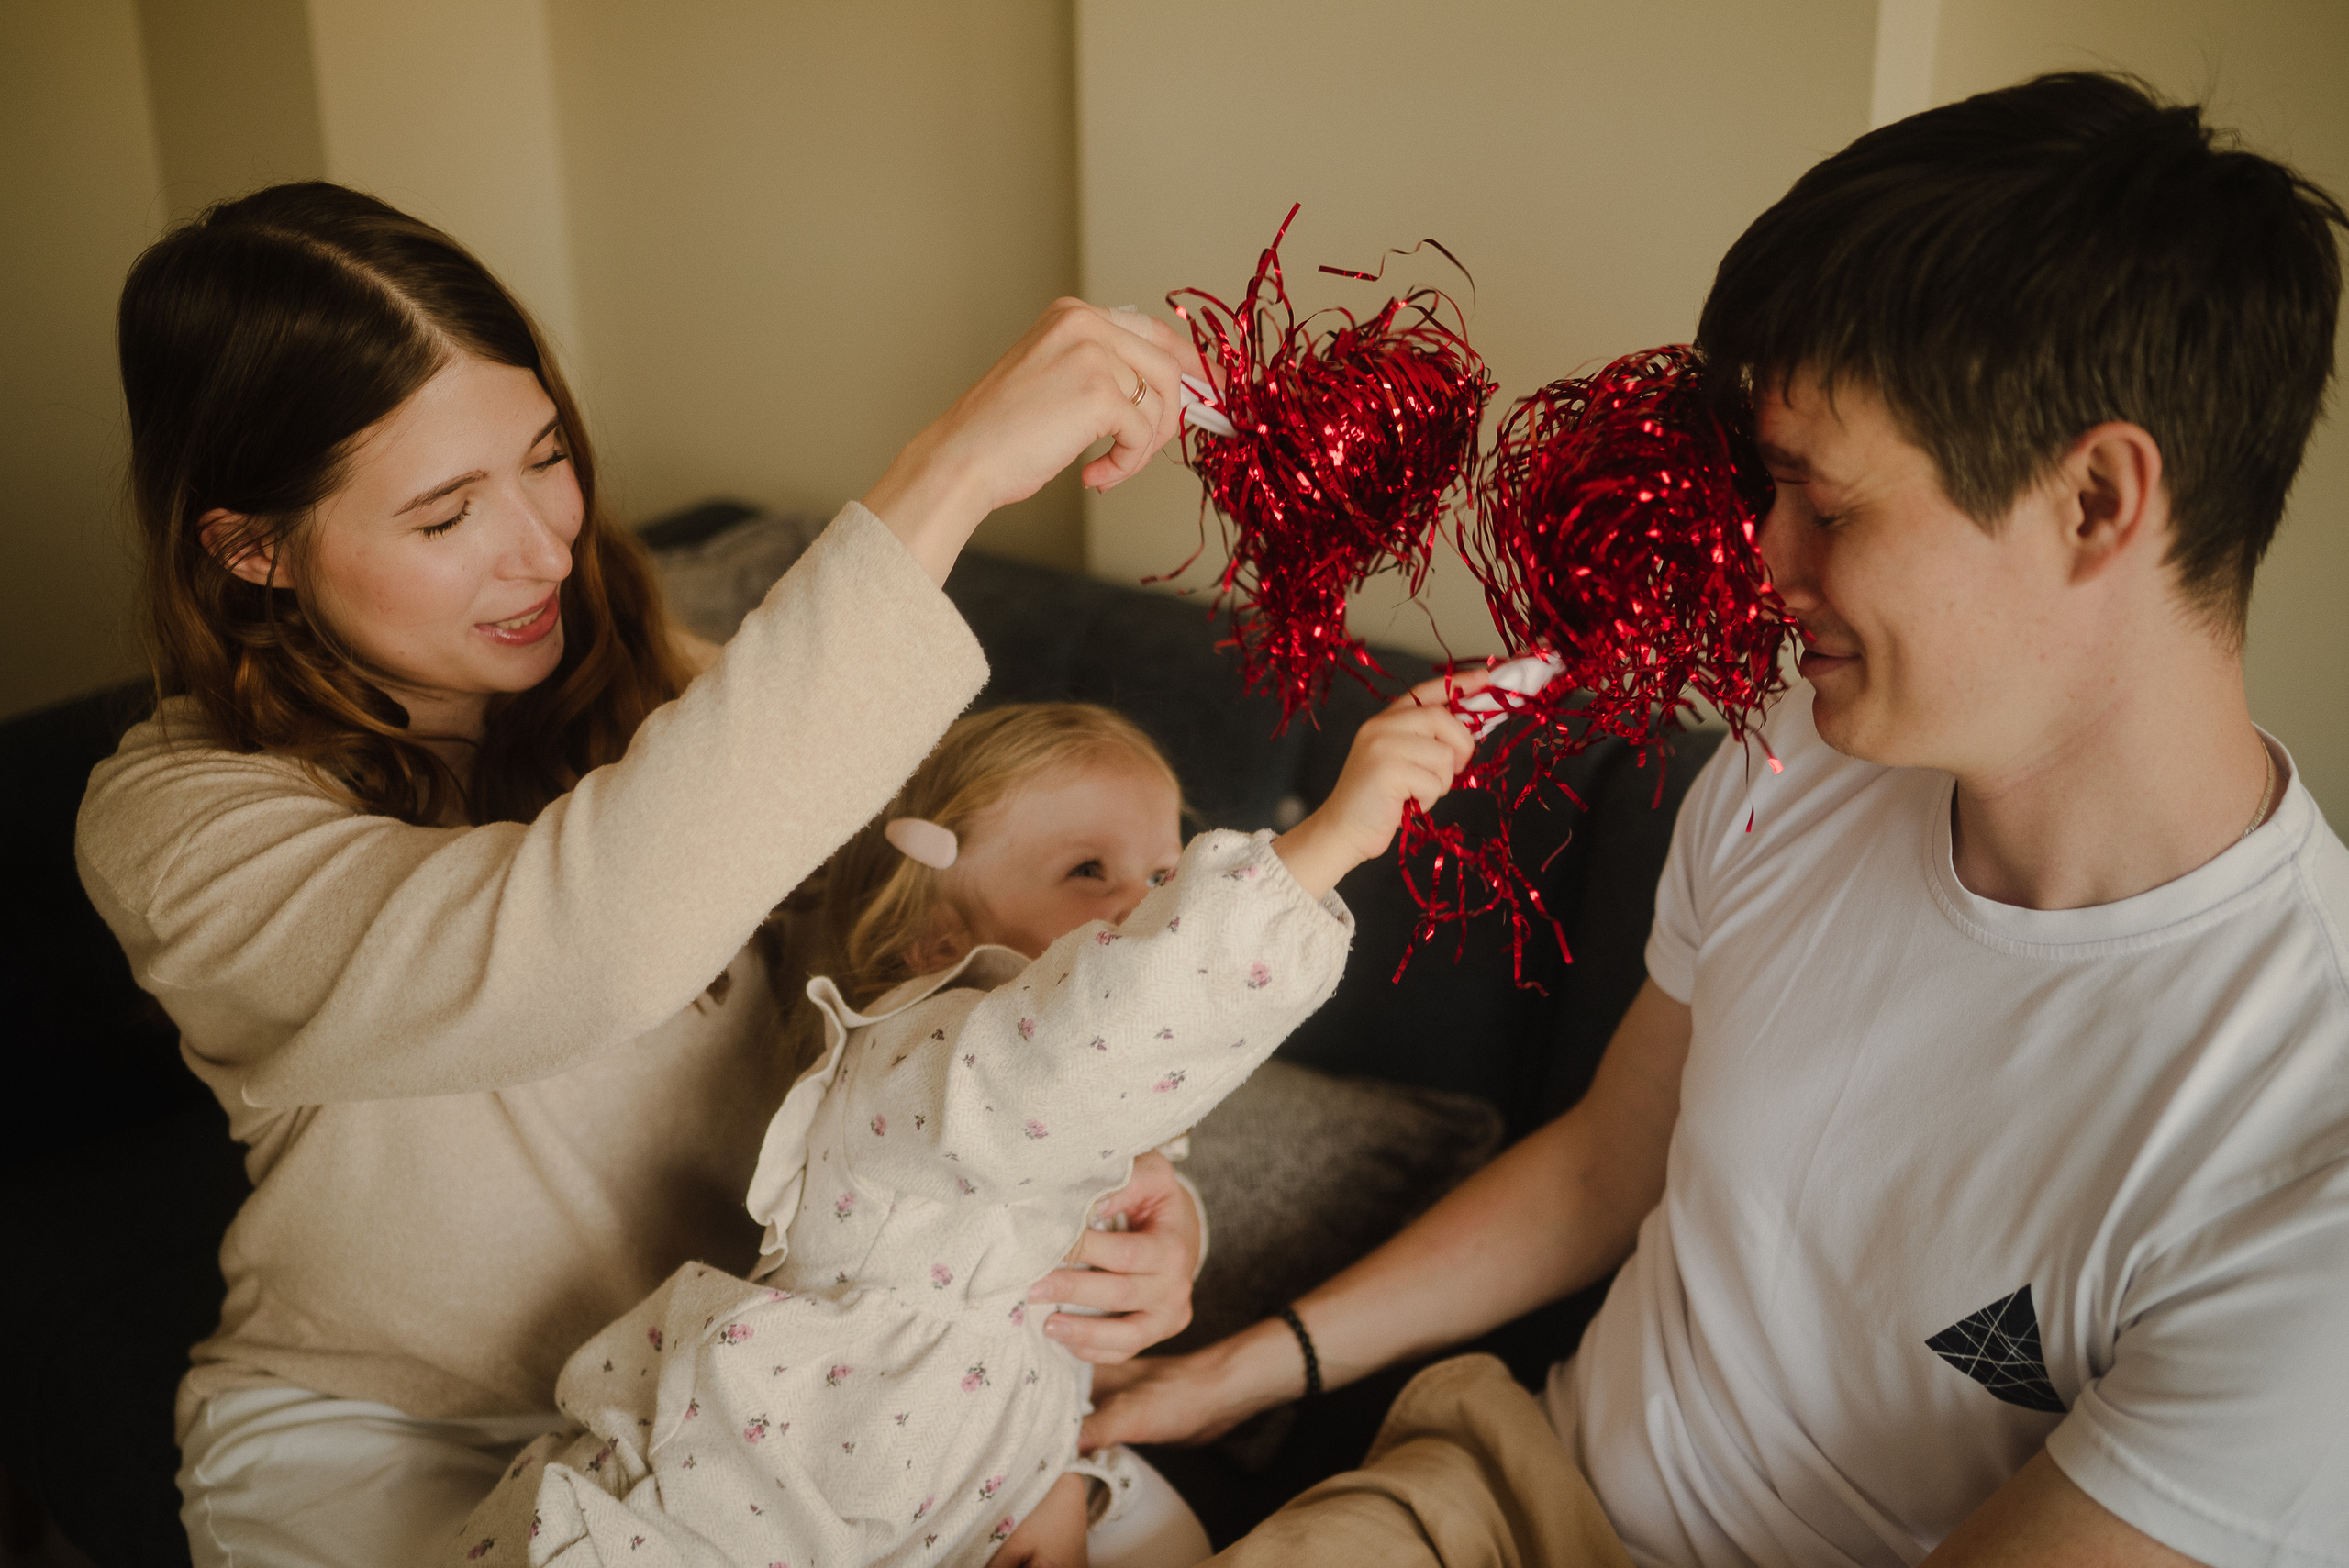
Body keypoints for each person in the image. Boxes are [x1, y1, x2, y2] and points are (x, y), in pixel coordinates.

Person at [1086, 72, 2349, 1568]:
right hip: (1503, 1488)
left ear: (2095, 500)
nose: (1761, 556)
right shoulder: (1793, 759)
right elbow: (1611, 1157)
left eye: (1828, 501)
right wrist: (1247, 1363)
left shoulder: (2299, 1145)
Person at [77, 181, 1214, 1568]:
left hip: (754, 1398)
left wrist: (1138, 1202)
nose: (543, 544)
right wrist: (951, 474)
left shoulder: (669, 685)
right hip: (398, 1444)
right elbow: (590, 942)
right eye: (445, 517)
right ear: (253, 548)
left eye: (546, 456)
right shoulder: (176, 820)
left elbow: (951, 954)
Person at [451, 688, 1477, 1568]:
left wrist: (1052, 1469)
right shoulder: (924, 1050)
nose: (1155, 902)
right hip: (756, 1495)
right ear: (936, 935)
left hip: (969, 1487)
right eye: (1089, 870)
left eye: (1169, 871)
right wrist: (1325, 844)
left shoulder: (1082, 1109)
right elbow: (1088, 1048)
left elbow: (1056, 1258)